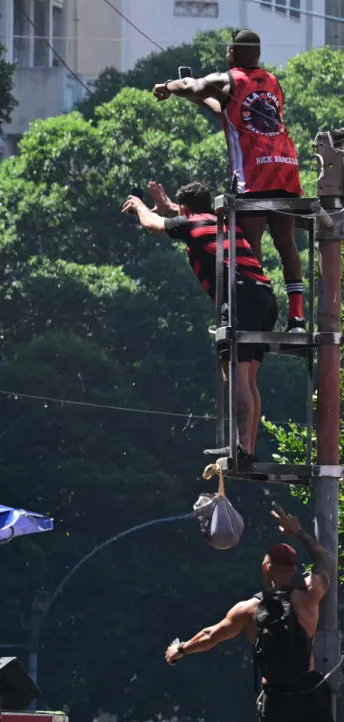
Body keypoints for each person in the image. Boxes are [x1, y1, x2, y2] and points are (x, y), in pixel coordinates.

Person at [168, 508, 340, 722]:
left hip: (276, 698)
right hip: (309, 691)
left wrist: (181, 649)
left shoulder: (247, 610)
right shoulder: (309, 595)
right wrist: (300, 532)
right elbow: (327, 562)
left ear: (265, 567)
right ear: (294, 570)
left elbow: (211, 635)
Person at [153, 30, 305, 332]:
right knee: (285, 242)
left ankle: (258, 315)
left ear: (232, 52)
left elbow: (192, 84)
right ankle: (296, 318)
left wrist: (167, 86)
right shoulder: (272, 82)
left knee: (249, 245)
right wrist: (198, 99)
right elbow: (229, 111)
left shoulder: (228, 79)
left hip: (254, 173)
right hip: (286, 167)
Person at [123, 181, 274, 467]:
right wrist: (169, 207)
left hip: (239, 297)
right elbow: (181, 216)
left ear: (185, 209)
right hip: (264, 296)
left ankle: (242, 449)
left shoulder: (190, 224)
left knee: (235, 377)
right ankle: (246, 448)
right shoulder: (217, 220)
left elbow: (151, 224)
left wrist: (139, 205)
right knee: (247, 379)